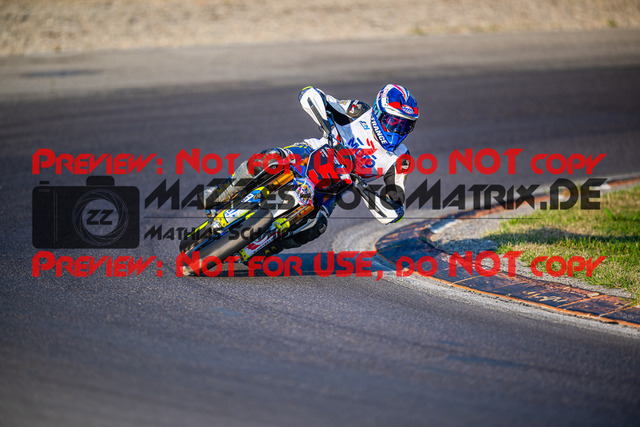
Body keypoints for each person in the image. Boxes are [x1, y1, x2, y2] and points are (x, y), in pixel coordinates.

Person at [198, 84, 419, 257]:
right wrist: (328, 127)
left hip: (334, 187)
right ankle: (221, 192)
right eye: (393, 122)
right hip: (312, 152)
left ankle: (267, 248)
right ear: (379, 111)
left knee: (316, 227)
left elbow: (395, 208)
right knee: (269, 159)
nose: (397, 130)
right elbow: (310, 94)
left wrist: (366, 191)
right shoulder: (358, 111)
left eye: (405, 125)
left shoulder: (401, 159)